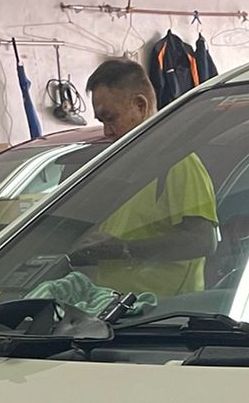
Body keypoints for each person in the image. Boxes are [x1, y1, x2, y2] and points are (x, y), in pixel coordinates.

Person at [70, 58, 218, 298]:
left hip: (163, 310)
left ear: (140, 105)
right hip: (117, 305)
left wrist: (123, 249)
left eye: (111, 118)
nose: (107, 131)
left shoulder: (179, 162)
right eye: (102, 122)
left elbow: (201, 240)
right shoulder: (124, 165)